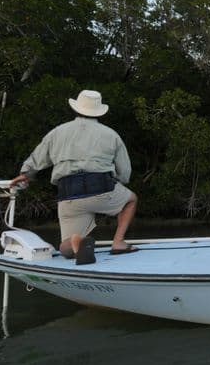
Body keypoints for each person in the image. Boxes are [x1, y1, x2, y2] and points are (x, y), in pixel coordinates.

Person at [9, 90, 138, 263]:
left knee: (65, 247)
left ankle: (75, 242)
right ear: (99, 111)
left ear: (76, 108)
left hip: (69, 195)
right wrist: (119, 184)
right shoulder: (111, 134)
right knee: (131, 200)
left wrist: (25, 174)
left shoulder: (57, 132)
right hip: (101, 188)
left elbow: (38, 157)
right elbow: (125, 172)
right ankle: (118, 242)